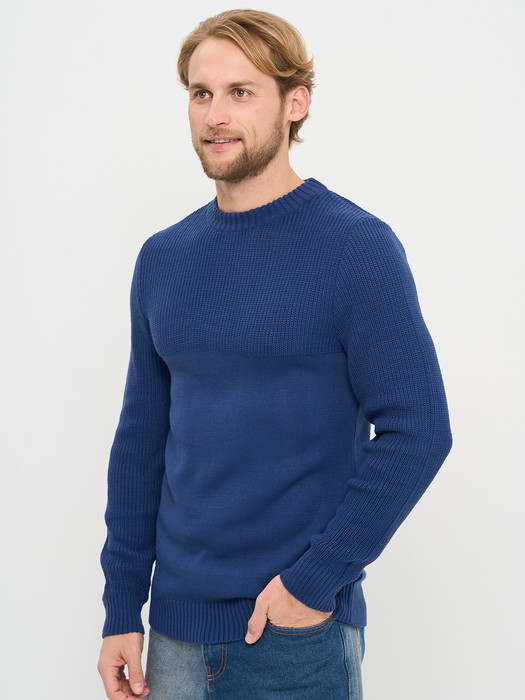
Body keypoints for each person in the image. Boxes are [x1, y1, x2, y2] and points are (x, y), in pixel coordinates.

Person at [97, 9, 453, 700]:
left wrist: (313, 583)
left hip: (295, 639)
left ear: (296, 103)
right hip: (172, 638)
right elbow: (140, 444)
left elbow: (419, 430)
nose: (215, 115)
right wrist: (120, 608)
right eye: (201, 93)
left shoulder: (355, 247)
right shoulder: (163, 258)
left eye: (241, 92)